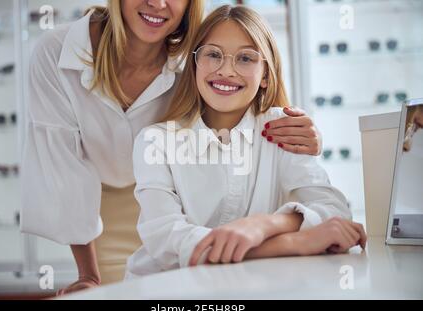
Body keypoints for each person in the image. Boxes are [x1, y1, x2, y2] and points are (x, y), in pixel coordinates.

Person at [21, 0, 322, 294]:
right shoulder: (58, 53)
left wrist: (307, 136)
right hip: (100, 204)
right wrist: (88, 274)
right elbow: (64, 165)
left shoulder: (198, 54)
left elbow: (254, 99)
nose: (157, 3)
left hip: (173, 197)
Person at [126, 5, 366, 279]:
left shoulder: (282, 128)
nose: (226, 70)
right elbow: (168, 242)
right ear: (194, 64)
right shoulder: (155, 142)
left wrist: (264, 225)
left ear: (265, 75)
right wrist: (291, 242)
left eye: (245, 59)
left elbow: (334, 212)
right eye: (213, 54)